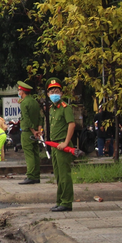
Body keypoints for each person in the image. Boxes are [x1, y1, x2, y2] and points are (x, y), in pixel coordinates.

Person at [47, 78, 75, 212]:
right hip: (54, 146)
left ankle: (66, 202)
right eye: (52, 91)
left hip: (63, 146)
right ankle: (59, 201)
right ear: (48, 94)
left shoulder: (65, 108)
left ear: (62, 93)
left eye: (57, 91)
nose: (54, 93)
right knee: (58, 175)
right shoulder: (52, 109)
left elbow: (71, 124)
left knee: (64, 175)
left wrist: (65, 142)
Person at [18, 81, 43, 184]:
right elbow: (40, 117)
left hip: (28, 132)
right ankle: (36, 175)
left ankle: (31, 176)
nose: (18, 92)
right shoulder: (34, 102)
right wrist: (38, 130)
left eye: (19, 90)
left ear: (22, 92)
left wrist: (33, 131)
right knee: (35, 153)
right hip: (35, 132)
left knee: (29, 154)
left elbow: (27, 119)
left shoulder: (24, 103)